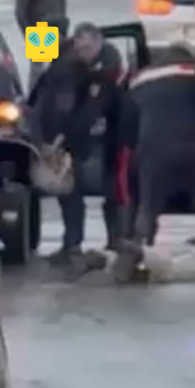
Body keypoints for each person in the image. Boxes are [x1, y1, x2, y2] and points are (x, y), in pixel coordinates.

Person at [122, 42, 195, 261]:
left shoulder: (142, 78)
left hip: (152, 149)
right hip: (190, 145)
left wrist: (135, 147)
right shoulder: (192, 69)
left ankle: (141, 252)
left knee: (148, 206)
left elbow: (127, 117)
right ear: (189, 55)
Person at [26, 22, 96, 267]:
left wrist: (54, 140)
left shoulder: (66, 67)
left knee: (70, 191)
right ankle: (70, 244)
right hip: (62, 137)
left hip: (63, 140)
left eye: (42, 37)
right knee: (66, 192)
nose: (38, 43)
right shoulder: (60, 62)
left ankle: (72, 245)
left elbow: (62, 107)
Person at [72, 22, 126, 249]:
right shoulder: (80, 62)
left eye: (86, 49)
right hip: (103, 133)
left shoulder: (107, 66)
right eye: (79, 50)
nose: (82, 54)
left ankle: (119, 240)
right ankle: (110, 240)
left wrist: (71, 135)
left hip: (118, 134)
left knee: (114, 189)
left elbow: (95, 105)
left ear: (98, 41)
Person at [15, 0, 68, 92]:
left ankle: (53, 94)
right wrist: (28, 32)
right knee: (37, 69)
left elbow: (61, 0)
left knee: (59, 65)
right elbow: (21, 11)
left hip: (56, 29)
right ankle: (34, 95)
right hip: (38, 30)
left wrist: (62, 23)